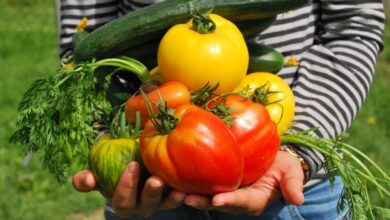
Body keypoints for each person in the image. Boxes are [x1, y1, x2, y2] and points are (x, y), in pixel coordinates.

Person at [56, 0, 385, 219]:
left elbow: (353, 26)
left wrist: (297, 150)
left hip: (295, 190)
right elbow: (85, 53)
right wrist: (112, 144)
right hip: (150, 178)